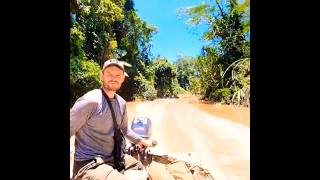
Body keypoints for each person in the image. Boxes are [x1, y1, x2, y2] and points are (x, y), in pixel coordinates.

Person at [70, 59, 156, 180]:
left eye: (118, 75)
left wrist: (142, 141)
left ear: (123, 79)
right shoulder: (89, 101)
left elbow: (125, 129)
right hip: (89, 164)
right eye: (109, 74)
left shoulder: (121, 103)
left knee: (143, 169)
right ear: (101, 76)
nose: (113, 78)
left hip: (114, 158)